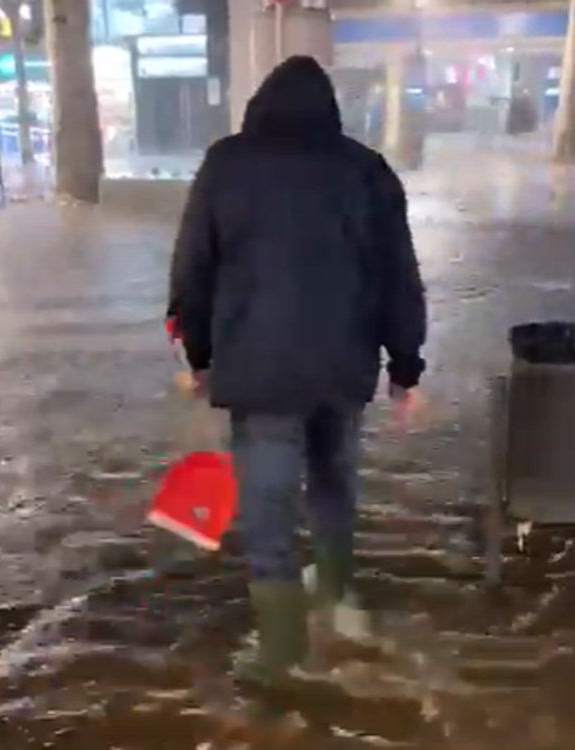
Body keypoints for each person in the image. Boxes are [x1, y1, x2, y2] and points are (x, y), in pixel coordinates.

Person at [166, 56, 427, 685]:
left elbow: (192, 270)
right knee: (335, 481)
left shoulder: (226, 164)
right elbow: (400, 279)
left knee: (267, 504)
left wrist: (198, 357)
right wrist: (406, 369)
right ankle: (336, 595)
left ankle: (280, 647)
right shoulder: (366, 170)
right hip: (344, 369)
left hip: (257, 372)